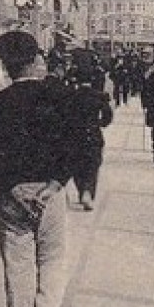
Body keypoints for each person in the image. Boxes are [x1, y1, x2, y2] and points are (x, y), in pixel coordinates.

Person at [0, 30, 81, 307]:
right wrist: (54, 183)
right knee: (53, 260)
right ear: (36, 60)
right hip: (50, 194)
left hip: (11, 196)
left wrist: (11, 186)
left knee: (17, 270)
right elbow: (78, 144)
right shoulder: (61, 97)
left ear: (5, 66)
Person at [69, 72, 114, 210]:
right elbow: (108, 115)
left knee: (77, 164)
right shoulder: (98, 96)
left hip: (76, 134)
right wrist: (100, 123)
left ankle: (81, 189)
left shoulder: (71, 96)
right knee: (93, 164)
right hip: (93, 133)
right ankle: (88, 191)